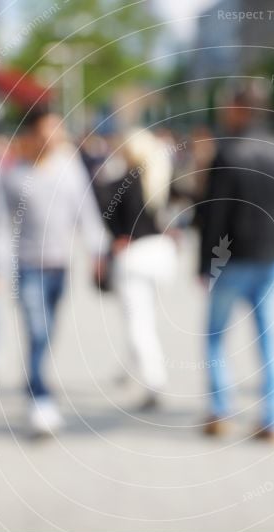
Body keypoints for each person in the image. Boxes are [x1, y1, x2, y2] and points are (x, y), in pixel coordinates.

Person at [197, 89, 274, 441]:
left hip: (230, 259)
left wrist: (204, 263)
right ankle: (273, 417)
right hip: (271, 256)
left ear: (240, 109)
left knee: (215, 335)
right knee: (270, 338)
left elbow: (214, 214)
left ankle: (221, 410)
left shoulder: (227, 153)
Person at [3, 108, 108, 436]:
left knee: (47, 332)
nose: (53, 136)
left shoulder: (70, 169)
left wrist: (96, 250)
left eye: (57, 130)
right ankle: (40, 399)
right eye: (47, 130)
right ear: (32, 134)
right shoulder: (16, 175)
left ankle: (33, 379)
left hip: (60, 266)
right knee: (36, 331)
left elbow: (86, 210)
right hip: (28, 265)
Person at [96, 128, 178, 410]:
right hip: (159, 254)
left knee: (138, 322)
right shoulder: (159, 177)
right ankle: (129, 369)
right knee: (144, 316)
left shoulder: (127, 181)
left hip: (135, 257)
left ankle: (154, 380)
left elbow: (104, 205)